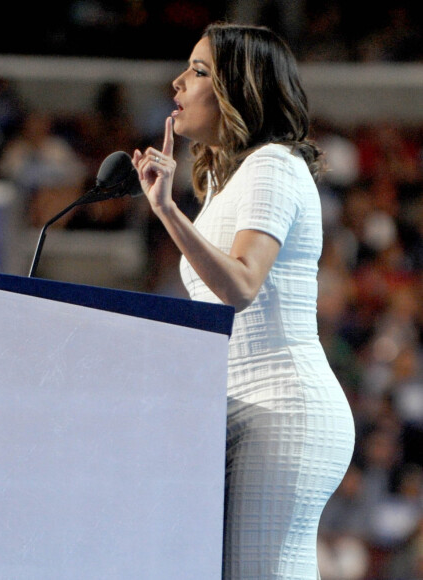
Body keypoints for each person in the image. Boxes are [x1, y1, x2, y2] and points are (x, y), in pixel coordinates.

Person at [132, 22, 355, 579]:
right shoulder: (222, 183)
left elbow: (240, 285)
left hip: (285, 408)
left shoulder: (273, 165)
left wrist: (166, 211)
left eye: (200, 71)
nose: (178, 82)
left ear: (242, 89)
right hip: (243, 408)